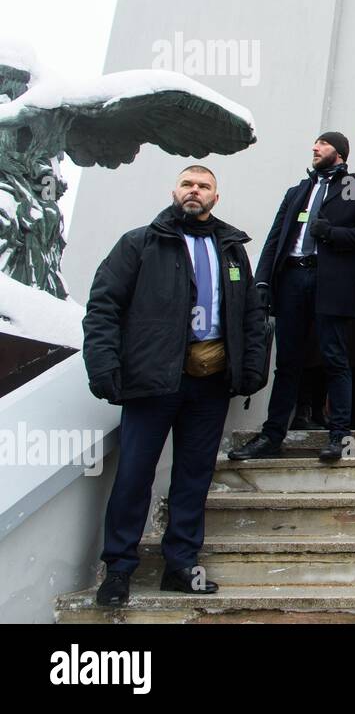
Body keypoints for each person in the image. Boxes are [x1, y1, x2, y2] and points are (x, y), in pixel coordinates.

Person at [85, 166, 269, 606]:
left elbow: (251, 315)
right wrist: (104, 368)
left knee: (193, 477)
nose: (194, 191)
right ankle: (119, 570)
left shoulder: (231, 250)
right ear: (174, 191)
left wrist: (251, 370)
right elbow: (104, 307)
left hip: (208, 384)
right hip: (151, 381)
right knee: (133, 475)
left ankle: (181, 565)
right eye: (187, 184)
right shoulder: (140, 243)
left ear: (215, 198)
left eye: (203, 186)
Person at [229, 132, 355, 462]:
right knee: (287, 362)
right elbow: (276, 238)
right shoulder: (298, 191)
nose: (315, 148)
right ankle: (272, 436)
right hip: (293, 278)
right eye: (315, 144)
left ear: (340, 153)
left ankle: (340, 435)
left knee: (334, 357)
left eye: (323, 144)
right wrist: (262, 281)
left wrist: (331, 233)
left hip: (331, 282)